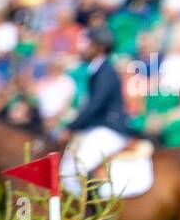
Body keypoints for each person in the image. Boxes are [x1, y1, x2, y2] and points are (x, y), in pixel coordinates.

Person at [59, 25, 141, 196]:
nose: (83, 47)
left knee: (78, 166)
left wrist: (71, 127)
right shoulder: (97, 69)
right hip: (101, 126)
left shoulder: (106, 71)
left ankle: (97, 215)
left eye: (88, 43)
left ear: (100, 47)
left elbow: (95, 105)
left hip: (110, 127)